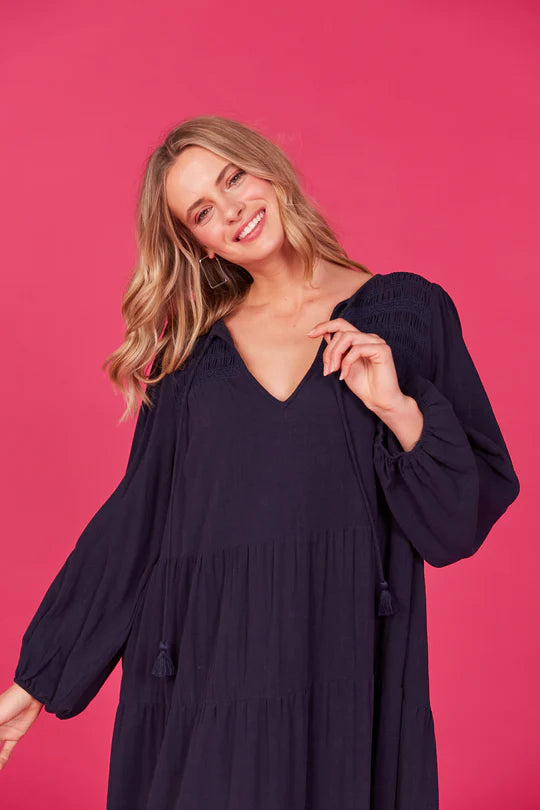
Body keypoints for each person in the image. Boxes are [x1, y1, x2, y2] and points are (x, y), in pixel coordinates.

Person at [1, 115, 520, 809]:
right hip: (204, 673)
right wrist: (35, 683)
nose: (232, 210)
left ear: (268, 170)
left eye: (233, 178)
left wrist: (398, 408)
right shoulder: (189, 358)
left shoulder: (409, 314)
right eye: (202, 212)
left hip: (348, 669)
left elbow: (456, 525)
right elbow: (136, 523)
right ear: (198, 244)